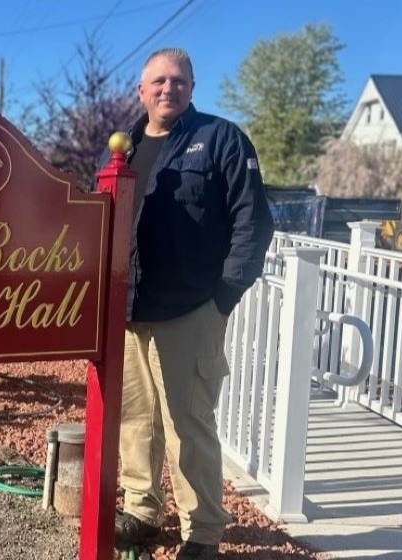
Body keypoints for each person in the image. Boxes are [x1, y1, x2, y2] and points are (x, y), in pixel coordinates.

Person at [110, 48, 274, 559]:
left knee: (189, 424)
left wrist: (221, 300)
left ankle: (201, 531)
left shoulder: (222, 140)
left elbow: (254, 223)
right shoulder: (123, 148)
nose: (167, 88)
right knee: (136, 419)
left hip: (190, 309)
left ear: (192, 87)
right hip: (130, 309)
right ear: (141, 91)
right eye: (157, 81)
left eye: (178, 80)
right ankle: (141, 509)